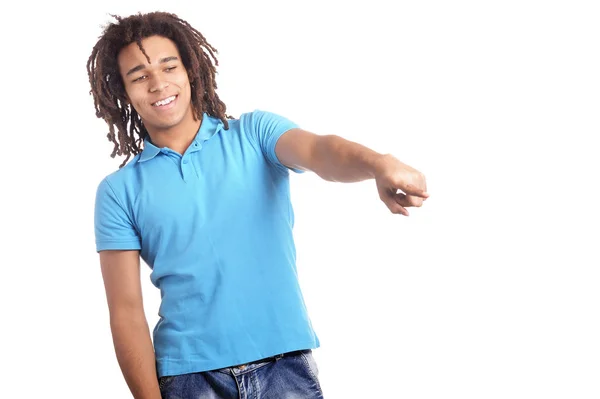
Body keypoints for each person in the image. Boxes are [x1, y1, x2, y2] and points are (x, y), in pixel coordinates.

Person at [88, 11, 428, 399]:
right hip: (188, 380)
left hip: (285, 367)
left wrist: (378, 165)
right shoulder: (118, 191)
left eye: (169, 66)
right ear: (123, 92)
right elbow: (126, 312)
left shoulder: (254, 134)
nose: (158, 83)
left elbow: (320, 151)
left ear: (190, 69)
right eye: (139, 76)